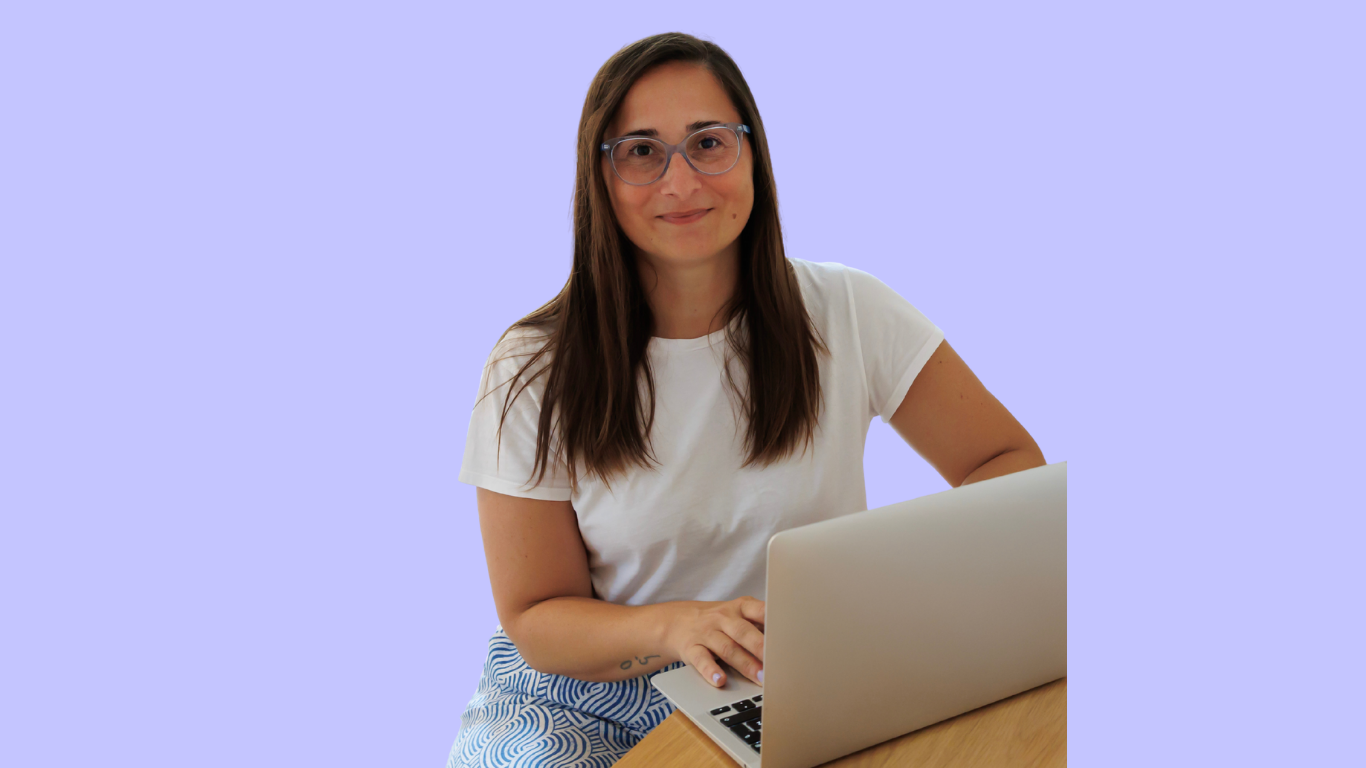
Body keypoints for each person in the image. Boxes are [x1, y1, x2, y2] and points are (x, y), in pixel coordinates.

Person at [447, 31, 1046, 768]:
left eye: (708, 142)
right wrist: (675, 628)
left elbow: (1006, 461)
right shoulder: (530, 367)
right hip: (588, 689)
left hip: (797, 674)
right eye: (641, 150)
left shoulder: (848, 311)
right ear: (599, 178)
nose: (681, 182)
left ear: (752, 152)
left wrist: (899, 593)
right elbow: (538, 618)